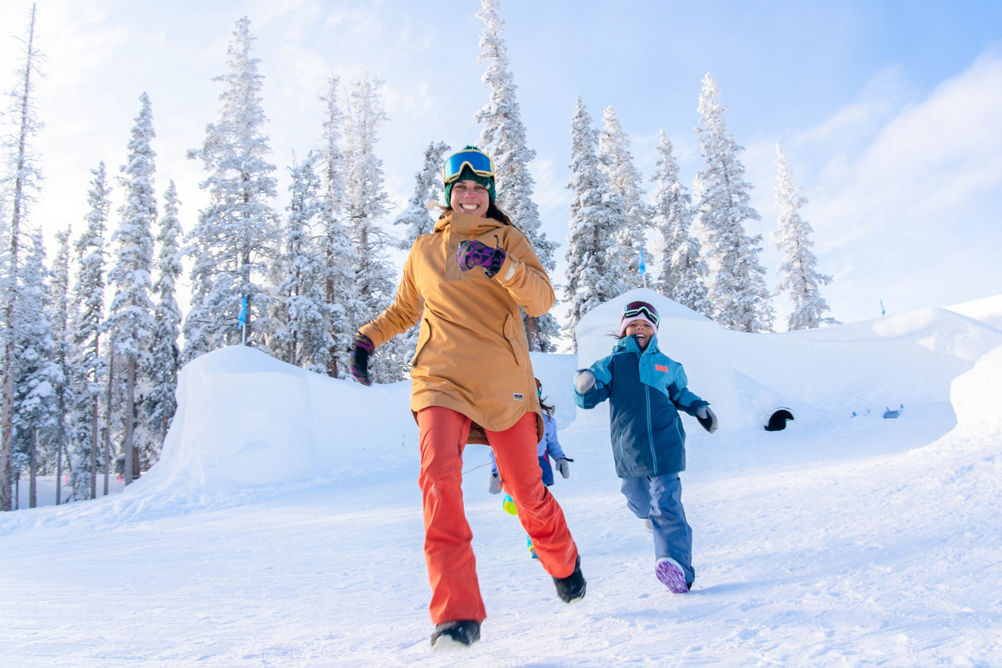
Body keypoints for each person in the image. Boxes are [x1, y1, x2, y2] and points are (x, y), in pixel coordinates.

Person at [349, 146, 585, 650]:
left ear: (490, 195)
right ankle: (456, 615)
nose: (470, 196)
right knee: (437, 481)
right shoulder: (424, 250)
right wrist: (367, 339)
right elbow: (404, 309)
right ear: (448, 196)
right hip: (440, 379)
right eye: (461, 189)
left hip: (504, 383)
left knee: (528, 493)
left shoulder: (509, 239)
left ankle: (563, 560)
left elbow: (541, 300)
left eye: (480, 189)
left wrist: (503, 265)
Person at [573, 300, 717, 594]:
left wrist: (700, 408)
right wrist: (583, 385)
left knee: (667, 503)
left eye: (645, 326)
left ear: (654, 331)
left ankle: (676, 565)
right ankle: (650, 518)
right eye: (633, 325)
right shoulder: (612, 364)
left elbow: (681, 394)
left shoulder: (668, 365)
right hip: (630, 448)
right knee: (637, 499)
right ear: (623, 330)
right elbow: (589, 398)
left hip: (666, 444)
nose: (639, 330)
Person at [488, 378, 572, 559]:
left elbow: (552, 443)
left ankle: (535, 544)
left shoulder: (547, 420)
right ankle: (512, 500)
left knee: (536, 509)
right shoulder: (509, 417)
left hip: (540, 466)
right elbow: (497, 448)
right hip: (516, 467)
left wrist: (560, 458)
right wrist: (495, 472)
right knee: (522, 506)